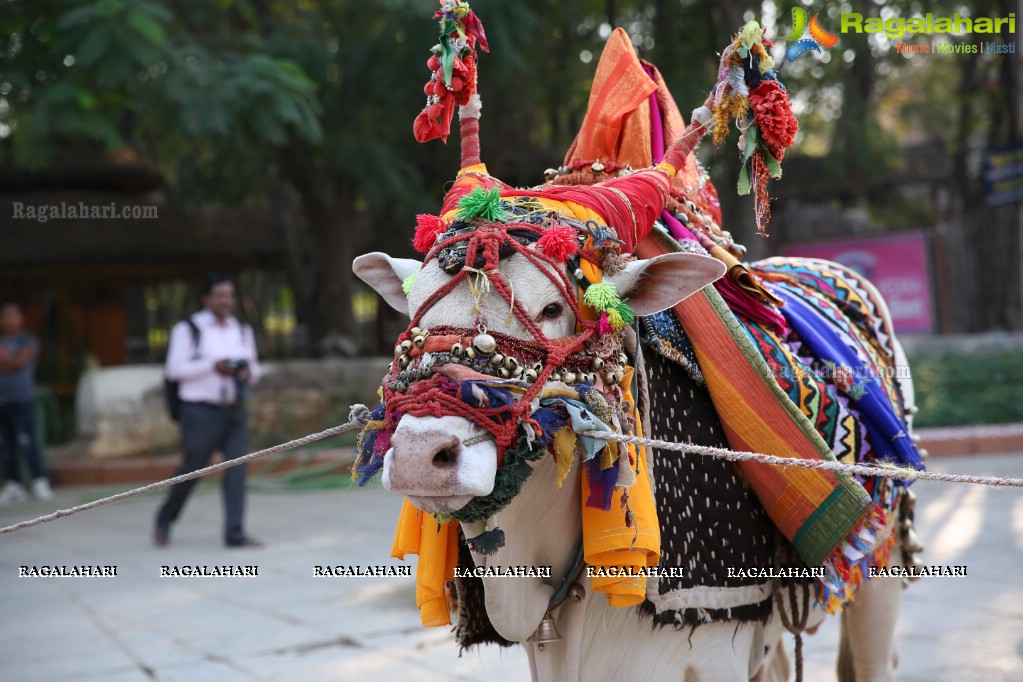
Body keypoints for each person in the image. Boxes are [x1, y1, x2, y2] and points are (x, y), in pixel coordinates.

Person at [154, 274, 262, 548]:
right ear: (206, 298)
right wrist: (213, 366)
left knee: (237, 467)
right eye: (219, 295)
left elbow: (255, 371)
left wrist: (246, 371)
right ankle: (165, 518)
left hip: (235, 408)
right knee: (193, 467)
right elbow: (174, 370)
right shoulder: (188, 329)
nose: (225, 300)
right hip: (200, 410)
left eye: (229, 295)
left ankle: (235, 533)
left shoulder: (241, 329)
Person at [0, 301, 52, 504]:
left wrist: (8, 360)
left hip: (22, 399)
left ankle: (39, 480)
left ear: (21, 318)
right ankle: (14, 484)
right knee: (6, 445)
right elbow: (13, 362)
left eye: (12, 315)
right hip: (1, 401)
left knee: (27, 442)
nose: (8, 319)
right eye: (5, 315)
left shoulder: (28, 339)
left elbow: (20, 362)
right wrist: (9, 360)